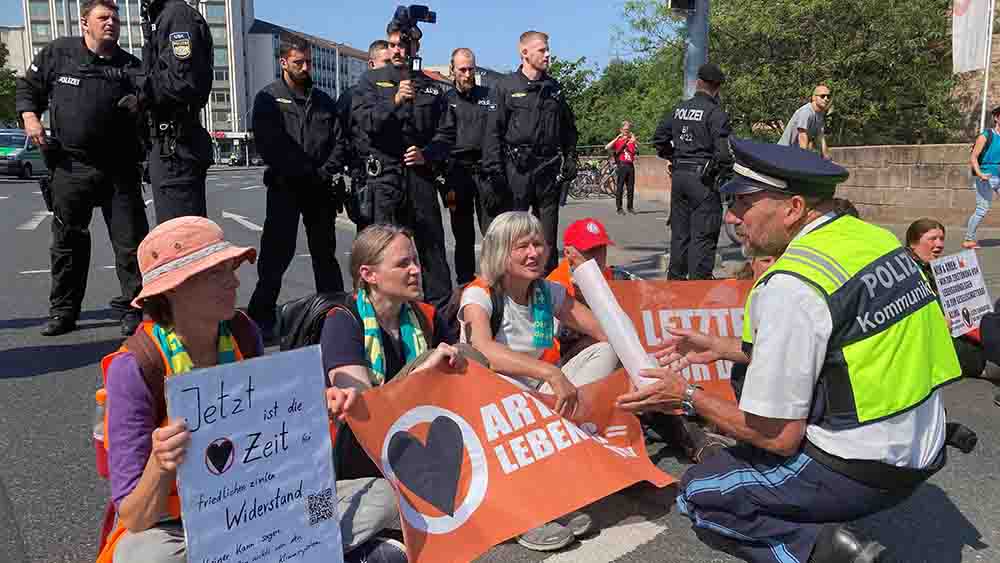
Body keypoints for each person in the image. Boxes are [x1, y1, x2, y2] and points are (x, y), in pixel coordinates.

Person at [617, 139, 962, 563]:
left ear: (793, 208)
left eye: (742, 202)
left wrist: (686, 396)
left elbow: (778, 437)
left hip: (863, 468)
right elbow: (840, 347)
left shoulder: (792, 283)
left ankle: (828, 553)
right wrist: (723, 348)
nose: (731, 216)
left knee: (700, 494)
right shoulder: (874, 238)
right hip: (925, 446)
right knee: (751, 377)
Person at [97, 217, 404, 563]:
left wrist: (315, 407)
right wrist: (160, 463)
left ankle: (290, 548)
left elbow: (270, 425)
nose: (234, 281)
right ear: (172, 288)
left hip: (263, 504)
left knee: (383, 495)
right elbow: (135, 517)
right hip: (178, 525)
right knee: (143, 557)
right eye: (216, 272)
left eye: (231, 268)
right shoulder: (136, 366)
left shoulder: (242, 332)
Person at [458, 211, 618, 552]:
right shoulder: (479, 295)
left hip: (543, 398)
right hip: (495, 403)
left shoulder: (548, 291)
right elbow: (483, 350)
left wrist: (644, 358)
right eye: (522, 246)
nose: (534, 254)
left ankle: (553, 485)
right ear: (501, 251)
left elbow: (603, 332)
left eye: (539, 245)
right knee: (516, 391)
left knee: (607, 352)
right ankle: (526, 510)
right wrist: (550, 372)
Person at [15, 0, 149, 337]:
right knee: (67, 242)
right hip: (71, 166)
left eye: (115, 18)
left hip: (120, 170)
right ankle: (64, 311)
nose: (111, 23)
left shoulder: (131, 67)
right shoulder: (59, 53)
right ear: (84, 22)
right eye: (103, 17)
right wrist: (30, 118)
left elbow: (150, 105)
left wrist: (141, 104)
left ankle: (135, 308)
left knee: (131, 244)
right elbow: (27, 88)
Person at [322, 224, 465, 482]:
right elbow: (361, 409)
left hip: (420, 444)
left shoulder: (427, 316)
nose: (416, 270)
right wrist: (425, 370)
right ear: (369, 274)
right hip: (363, 461)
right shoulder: (342, 321)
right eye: (403, 264)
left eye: (415, 261)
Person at [351, 17, 456, 308]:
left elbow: (446, 134)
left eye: (403, 44)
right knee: (384, 252)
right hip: (384, 179)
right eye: (393, 44)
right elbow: (364, 121)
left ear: (415, 46)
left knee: (431, 248)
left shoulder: (432, 88)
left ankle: (440, 314)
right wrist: (395, 100)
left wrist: (428, 153)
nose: (397, 50)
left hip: (420, 178)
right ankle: (382, 312)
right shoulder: (370, 81)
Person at [246, 37, 345, 342]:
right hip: (285, 188)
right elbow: (270, 144)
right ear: (283, 63)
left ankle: (335, 313)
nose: (305, 67)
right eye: (298, 62)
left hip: (320, 190)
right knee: (276, 255)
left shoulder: (324, 101)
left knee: (324, 254)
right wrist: (302, 173)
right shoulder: (268, 99)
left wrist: (324, 172)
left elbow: (339, 142)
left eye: (308, 62)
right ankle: (260, 317)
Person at [484, 31, 579, 274]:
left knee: (546, 239)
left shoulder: (554, 88)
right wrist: (494, 173)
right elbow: (493, 132)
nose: (547, 54)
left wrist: (570, 157)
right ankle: (509, 292)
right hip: (517, 168)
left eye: (548, 49)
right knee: (513, 237)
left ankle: (547, 295)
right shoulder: (505, 86)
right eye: (541, 50)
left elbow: (569, 128)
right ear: (524, 53)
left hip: (547, 168)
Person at [652, 63, 733, 281]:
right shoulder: (716, 113)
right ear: (717, 88)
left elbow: (659, 138)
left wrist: (674, 157)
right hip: (703, 181)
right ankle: (699, 288)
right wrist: (723, 175)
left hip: (679, 178)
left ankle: (675, 285)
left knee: (680, 235)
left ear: (698, 83)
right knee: (703, 235)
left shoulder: (679, 109)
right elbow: (724, 154)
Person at [140, 0, 214, 222]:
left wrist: (138, 86)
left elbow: (181, 81)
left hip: (175, 144)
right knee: (178, 234)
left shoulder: (176, 16)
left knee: (181, 238)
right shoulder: (162, 16)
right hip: (169, 144)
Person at [444, 47, 508, 284]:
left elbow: (499, 134)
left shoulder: (489, 96)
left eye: (471, 68)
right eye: (462, 69)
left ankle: (495, 280)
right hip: (456, 174)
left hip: (485, 172)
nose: (467, 74)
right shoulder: (445, 100)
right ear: (453, 70)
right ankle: (464, 282)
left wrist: (497, 175)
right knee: (461, 233)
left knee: (492, 232)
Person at [905, 218, 987, 379]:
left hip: (948, 329)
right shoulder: (906, 272)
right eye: (932, 239)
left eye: (942, 239)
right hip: (925, 339)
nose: (940, 244)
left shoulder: (934, 267)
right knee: (974, 355)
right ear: (913, 243)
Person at [336, 39, 393, 232]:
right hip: (365, 177)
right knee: (368, 239)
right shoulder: (351, 96)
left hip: (395, 179)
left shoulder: (399, 95)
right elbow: (338, 135)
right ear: (371, 64)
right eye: (386, 62)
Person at [962, 106, 1000, 249]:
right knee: (982, 209)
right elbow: (973, 157)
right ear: (996, 118)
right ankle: (968, 239)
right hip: (985, 177)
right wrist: (980, 174)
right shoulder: (986, 135)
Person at [779, 84, 832, 159]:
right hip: (784, 154)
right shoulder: (806, 112)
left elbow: (821, 137)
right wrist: (805, 160)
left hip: (795, 155)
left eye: (828, 96)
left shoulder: (820, 114)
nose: (826, 99)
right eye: (822, 96)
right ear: (814, 97)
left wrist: (827, 159)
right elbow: (802, 136)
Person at [605, 121, 639, 214]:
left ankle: (630, 207)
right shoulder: (618, 140)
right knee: (620, 187)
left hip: (630, 165)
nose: (627, 131)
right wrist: (617, 138)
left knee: (630, 188)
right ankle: (619, 208)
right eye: (625, 129)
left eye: (628, 129)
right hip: (621, 165)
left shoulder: (631, 140)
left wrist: (633, 139)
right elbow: (607, 147)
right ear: (621, 130)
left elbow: (637, 148)